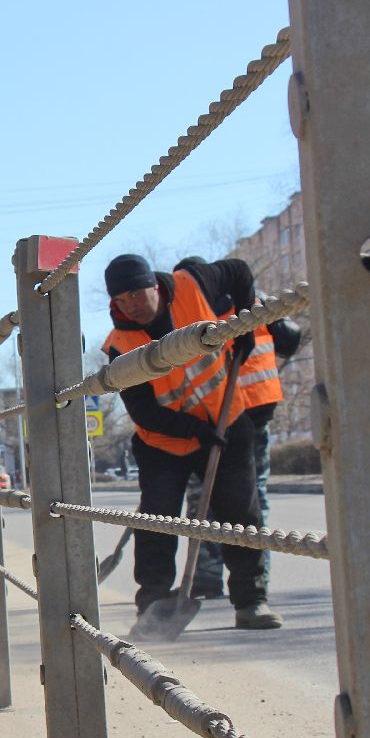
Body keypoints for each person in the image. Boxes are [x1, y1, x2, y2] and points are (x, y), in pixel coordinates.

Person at [101, 252, 282, 629]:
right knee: (158, 521)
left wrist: (245, 324)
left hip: (227, 419)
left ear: (154, 284)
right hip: (163, 443)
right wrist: (197, 431)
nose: (131, 305)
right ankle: (152, 604)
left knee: (240, 515)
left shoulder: (193, 284)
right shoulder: (121, 346)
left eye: (137, 294)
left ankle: (251, 600)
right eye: (121, 300)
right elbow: (145, 413)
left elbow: (239, 270)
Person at [172, 257, 303, 602]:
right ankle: (207, 577)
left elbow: (289, 339)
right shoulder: (240, 307)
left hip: (250, 411)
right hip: (222, 414)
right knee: (214, 496)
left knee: (242, 497)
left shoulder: (246, 307)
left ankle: (246, 580)